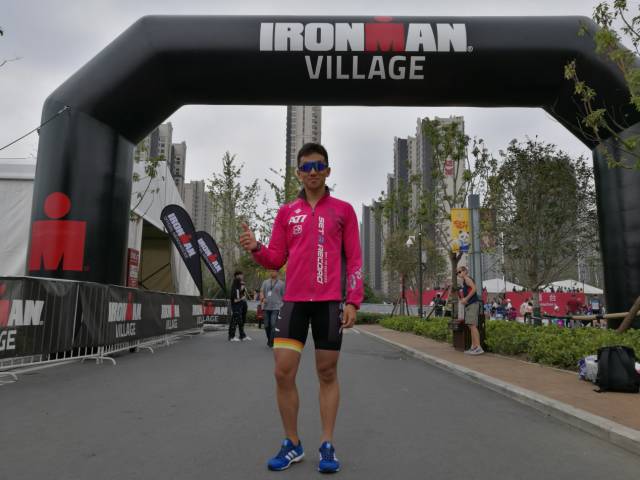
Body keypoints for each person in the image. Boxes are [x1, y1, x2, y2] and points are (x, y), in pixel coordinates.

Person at [239, 142, 363, 473]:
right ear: (298, 173)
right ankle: (292, 443)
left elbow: (354, 259)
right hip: (293, 303)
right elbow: (275, 258)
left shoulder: (343, 210)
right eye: (306, 167)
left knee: (327, 373)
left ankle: (327, 445)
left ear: (328, 170)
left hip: (328, 304)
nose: (313, 172)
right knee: (282, 372)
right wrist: (256, 248)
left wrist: (353, 301)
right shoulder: (286, 212)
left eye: (318, 166)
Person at [457, 266, 484, 355]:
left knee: (472, 325)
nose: (458, 274)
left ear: (465, 271)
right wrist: (464, 299)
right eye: (457, 273)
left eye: (460, 272)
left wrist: (466, 299)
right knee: (470, 325)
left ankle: (478, 347)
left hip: (472, 304)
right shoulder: (464, 281)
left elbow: (474, 289)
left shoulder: (467, 279)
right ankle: (474, 346)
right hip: (469, 305)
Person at [260, 270, 285, 348]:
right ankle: (270, 339)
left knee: (273, 324)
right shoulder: (265, 282)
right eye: (271, 271)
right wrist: (262, 298)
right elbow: (261, 291)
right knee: (266, 325)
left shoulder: (281, 283)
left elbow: (284, 295)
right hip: (266, 307)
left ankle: (271, 341)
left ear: (277, 273)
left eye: (273, 271)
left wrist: (284, 306)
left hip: (276, 307)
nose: (272, 273)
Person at [229, 271, 251, 341]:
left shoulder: (240, 287)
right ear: (237, 276)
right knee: (235, 321)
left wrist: (243, 290)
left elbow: (242, 295)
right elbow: (235, 300)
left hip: (241, 305)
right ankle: (231, 336)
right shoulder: (235, 287)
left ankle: (242, 335)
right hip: (236, 306)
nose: (242, 277)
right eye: (241, 275)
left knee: (241, 321)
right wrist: (242, 298)